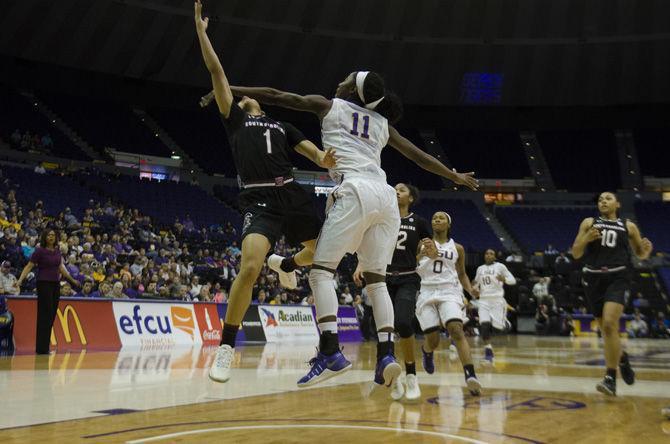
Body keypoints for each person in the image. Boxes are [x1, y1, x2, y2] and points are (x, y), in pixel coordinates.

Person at [228, 73, 478, 388]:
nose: (339, 81)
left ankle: (331, 351)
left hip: (355, 190)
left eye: (346, 79)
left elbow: (275, 94)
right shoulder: (382, 122)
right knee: (377, 281)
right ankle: (386, 355)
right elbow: (419, 156)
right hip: (385, 197)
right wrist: (452, 175)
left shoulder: (329, 105)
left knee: (320, 272)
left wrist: (227, 86)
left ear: (351, 89)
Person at [193, 2, 337, 384]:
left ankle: (286, 264)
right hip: (258, 199)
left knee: (324, 256)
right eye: (238, 97)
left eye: (244, 97)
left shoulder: (283, 125)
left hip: (292, 192)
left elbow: (318, 157)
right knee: (251, 267)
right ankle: (226, 347)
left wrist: (328, 157)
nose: (241, 98)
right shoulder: (236, 120)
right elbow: (217, 72)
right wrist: (202, 33)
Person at [354, 183, 431, 401]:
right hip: (382, 277)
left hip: (407, 278)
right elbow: (368, 244)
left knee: (404, 323)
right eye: (395, 188)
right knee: (384, 329)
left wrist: (430, 252)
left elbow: (430, 249)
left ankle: (411, 375)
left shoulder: (419, 222)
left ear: (411, 198)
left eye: (403, 189)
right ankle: (392, 378)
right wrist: (361, 265)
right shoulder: (382, 218)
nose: (397, 191)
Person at [572, 191, 653, 396]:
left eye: (608, 198)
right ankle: (623, 358)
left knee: (609, 323)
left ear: (617, 204)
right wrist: (586, 238)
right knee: (607, 332)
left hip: (618, 277)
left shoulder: (628, 225)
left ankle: (610, 378)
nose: (603, 201)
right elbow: (576, 252)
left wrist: (646, 251)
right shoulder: (589, 222)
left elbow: (640, 254)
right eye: (600, 199)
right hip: (593, 278)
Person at [416, 212, 482, 396]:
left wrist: (470, 290)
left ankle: (470, 375)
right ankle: (427, 351)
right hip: (427, 291)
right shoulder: (422, 243)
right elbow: (409, 263)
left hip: (449, 291)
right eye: (434, 217)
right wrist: (421, 253)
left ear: (448, 224)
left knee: (456, 329)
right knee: (433, 340)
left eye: (441, 218)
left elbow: (461, 274)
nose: (436, 219)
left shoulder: (458, 248)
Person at [16, 228, 80, 354]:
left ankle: (44, 346)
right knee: (45, 315)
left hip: (55, 284)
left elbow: (61, 268)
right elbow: (29, 266)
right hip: (43, 283)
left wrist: (72, 280)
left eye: (53, 235)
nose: (51, 237)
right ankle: (41, 348)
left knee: (51, 315)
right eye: (49, 235)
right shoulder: (39, 251)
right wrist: (19, 281)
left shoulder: (57, 251)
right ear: (45, 237)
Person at [472, 248, 516, 362]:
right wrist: (474, 289)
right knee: (484, 325)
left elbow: (513, 280)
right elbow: (476, 283)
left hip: (497, 300)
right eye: (486, 253)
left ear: (495, 257)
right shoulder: (480, 269)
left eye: (491, 253)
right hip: (483, 300)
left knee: (498, 328)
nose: (488, 255)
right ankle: (488, 352)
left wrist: (504, 279)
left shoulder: (500, 267)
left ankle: (505, 322)